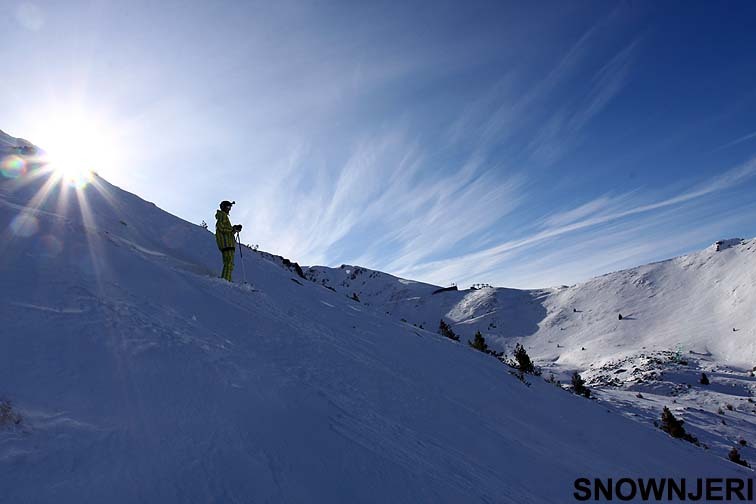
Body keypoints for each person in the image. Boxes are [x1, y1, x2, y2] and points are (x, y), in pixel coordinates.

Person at [215, 200, 242, 281]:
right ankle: (226, 279)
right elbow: (221, 227)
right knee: (229, 263)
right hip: (227, 244)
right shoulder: (222, 216)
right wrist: (232, 228)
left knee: (228, 262)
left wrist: (234, 230)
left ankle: (226, 279)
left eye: (230, 207)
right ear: (223, 207)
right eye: (228, 207)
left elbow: (227, 231)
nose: (229, 209)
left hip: (227, 243)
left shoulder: (223, 216)